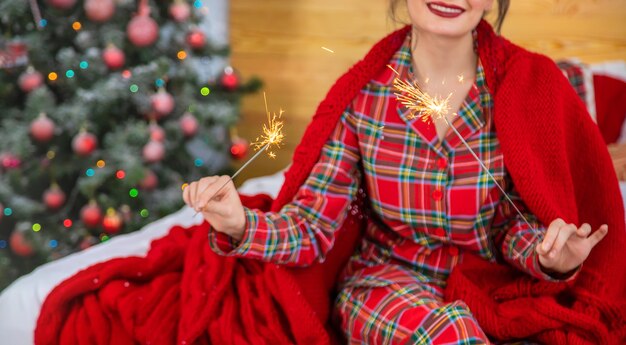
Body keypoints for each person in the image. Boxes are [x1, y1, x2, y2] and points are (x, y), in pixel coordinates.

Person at [33, 1, 625, 344]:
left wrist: (552, 258)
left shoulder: (528, 86)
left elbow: (515, 226)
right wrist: (241, 224)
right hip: (384, 283)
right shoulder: (364, 97)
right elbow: (312, 227)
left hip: (487, 281)